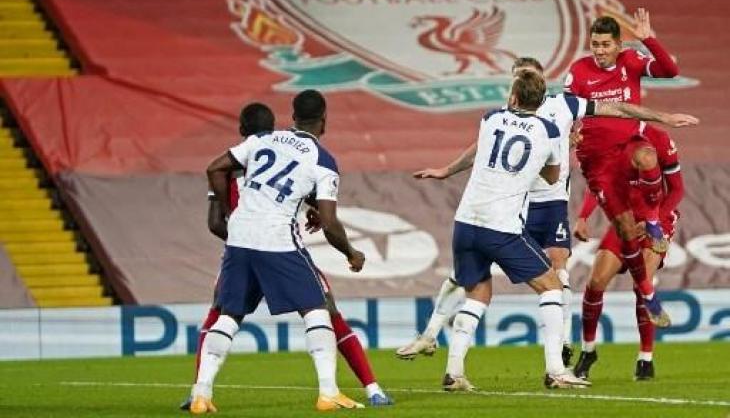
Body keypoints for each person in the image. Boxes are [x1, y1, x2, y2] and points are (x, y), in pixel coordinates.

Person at [397, 57, 697, 365]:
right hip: (517, 205)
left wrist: (662, 117)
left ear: (538, 83)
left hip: (551, 205)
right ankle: (431, 334)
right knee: (473, 276)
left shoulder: (561, 106)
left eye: (527, 77)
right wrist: (449, 169)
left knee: (557, 272)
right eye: (519, 77)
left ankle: (563, 344)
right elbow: (484, 148)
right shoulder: (505, 117)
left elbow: (619, 108)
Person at [180, 103, 392, 410]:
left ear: (292, 117)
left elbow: (216, 170)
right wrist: (351, 252)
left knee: (227, 316)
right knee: (318, 309)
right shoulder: (322, 159)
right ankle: (329, 392)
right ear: (324, 121)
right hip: (277, 239)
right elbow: (330, 222)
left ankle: (201, 393)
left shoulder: (262, 142)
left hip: (238, 239)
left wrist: (235, 216)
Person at [436, 68, 590, 390]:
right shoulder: (549, 131)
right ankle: (556, 370)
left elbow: (485, 149)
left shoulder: (490, 118)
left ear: (513, 96)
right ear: (541, 100)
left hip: (465, 222)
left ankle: (454, 372)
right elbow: (551, 177)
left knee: (477, 294)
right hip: (501, 226)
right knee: (550, 286)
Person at [565, 9, 679, 327]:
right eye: (594, 44)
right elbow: (564, 109)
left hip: (627, 146)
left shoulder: (631, 61)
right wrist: (569, 132)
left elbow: (670, 70)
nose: (599, 51)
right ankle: (647, 294)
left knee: (647, 156)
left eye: (605, 44)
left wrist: (649, 39)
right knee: (627, 233)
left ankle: (654, 223)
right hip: (597, 163)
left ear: (618, 44)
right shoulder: (578, 72)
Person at [572, 124, 684, 381]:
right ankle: (588, 351)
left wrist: (655, 219)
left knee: (640, 283)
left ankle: (645, 359)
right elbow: (597, 183)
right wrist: (583, 217)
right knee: (596, 281)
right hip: (624, 220)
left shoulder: (659, 138)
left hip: (658, 220)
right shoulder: (607, 139)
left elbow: (677, 189)